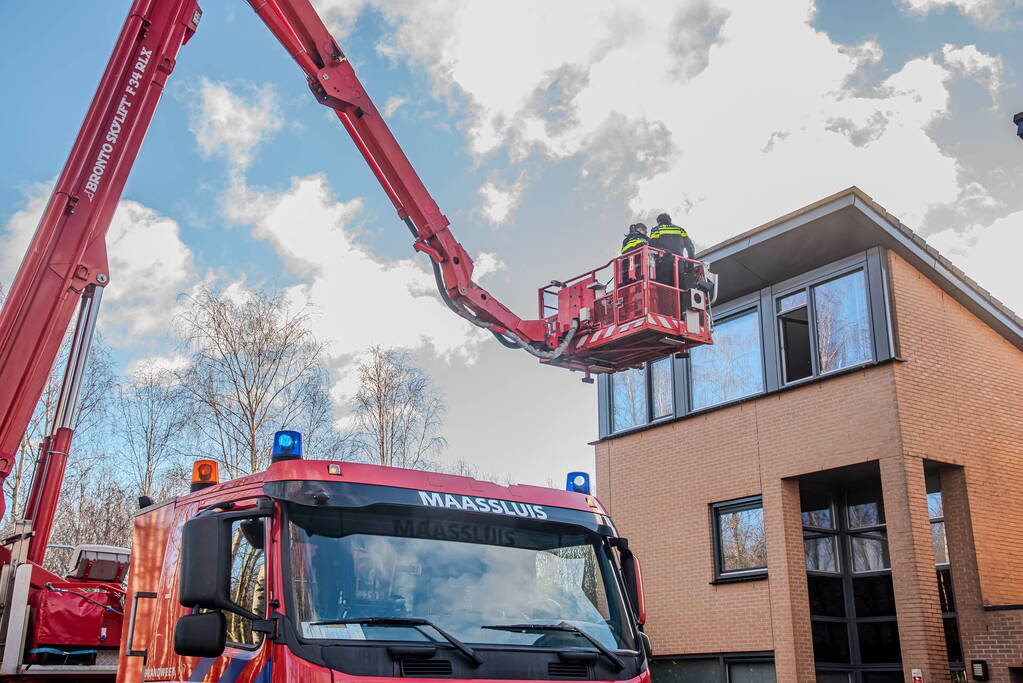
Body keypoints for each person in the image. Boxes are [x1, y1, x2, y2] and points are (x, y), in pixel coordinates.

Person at [649, 212, 695, 286]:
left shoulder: (657, 229)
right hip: (679, 263)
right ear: (670, 220)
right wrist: (690, 265)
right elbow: (690, 248)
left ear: (659, 222)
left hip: (663, 263)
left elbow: (652, 246)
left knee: (664, 288)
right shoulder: (680, 230)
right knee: (679, 287)